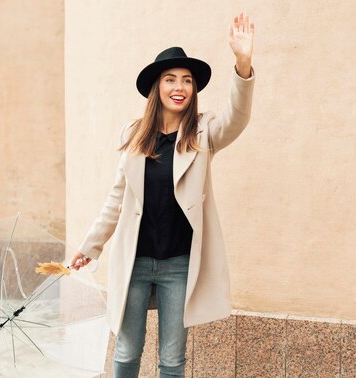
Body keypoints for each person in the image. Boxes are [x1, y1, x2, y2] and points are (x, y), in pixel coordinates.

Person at [70, 12, 255, 378]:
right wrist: (89, 246)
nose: (180, 86)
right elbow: (116, 200)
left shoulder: (204, 133)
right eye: (170, 79)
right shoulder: (134, 134)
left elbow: (237, 117)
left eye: (187, 81)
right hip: (134, 261)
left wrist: (243, 63)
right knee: (126, 349)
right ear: (157, 87)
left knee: (172, 358)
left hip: (179, 264)